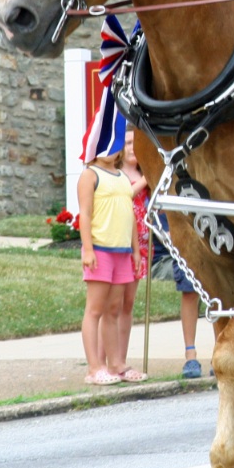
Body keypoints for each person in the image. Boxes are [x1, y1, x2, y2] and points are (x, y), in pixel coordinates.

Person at [77, 137, 141, 385]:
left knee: (114, 309)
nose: (111, 150)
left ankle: (116, 364)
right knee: (95, 310)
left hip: (122, 252)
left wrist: (135, 250)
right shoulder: (89, 176)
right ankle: (95, 368)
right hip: (101, 250)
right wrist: (89, 249)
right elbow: (85, 214)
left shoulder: (123, 177)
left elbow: (130, 215)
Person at [97, 128, 149, 383]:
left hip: (140, 243)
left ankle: (120, 360)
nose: (130, 148)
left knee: (128, 303)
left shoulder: (141, 172)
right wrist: (149, 178)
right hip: (118, 241)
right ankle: (101, 362)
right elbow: (128, 194)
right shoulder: (116, 176)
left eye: (134, 143)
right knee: (110, 306)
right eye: (126, 143)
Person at [149, 219, 204, 379]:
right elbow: (167, 234)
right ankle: (190, 355)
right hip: (185, 240)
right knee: (189, 292)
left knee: (219, 293)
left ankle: (220, 351)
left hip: (209, 233)